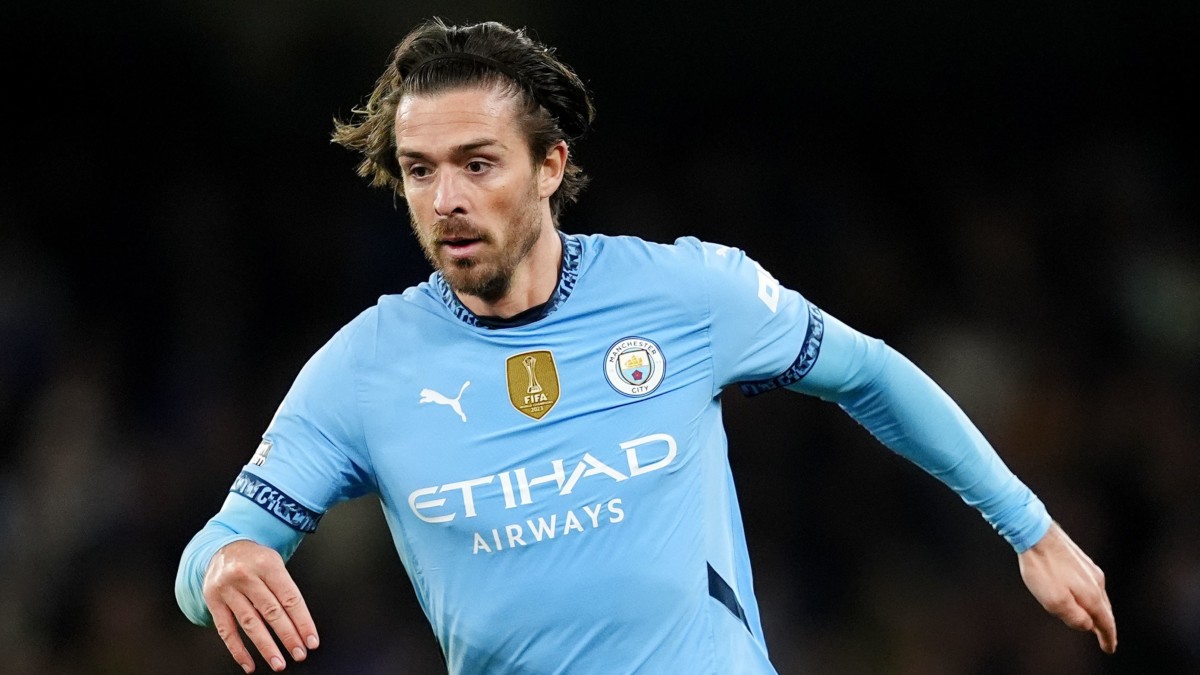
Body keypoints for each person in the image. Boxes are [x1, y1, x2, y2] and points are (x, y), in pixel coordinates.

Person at [175, 18, 1117, 674]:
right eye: (420, 171)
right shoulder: (363, 368)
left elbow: (867, 373)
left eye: (477, 163)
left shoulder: (686, 294)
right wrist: (220, 563)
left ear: (551, 166)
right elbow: (214, 549)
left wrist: (1029, 527)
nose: (446, 199)